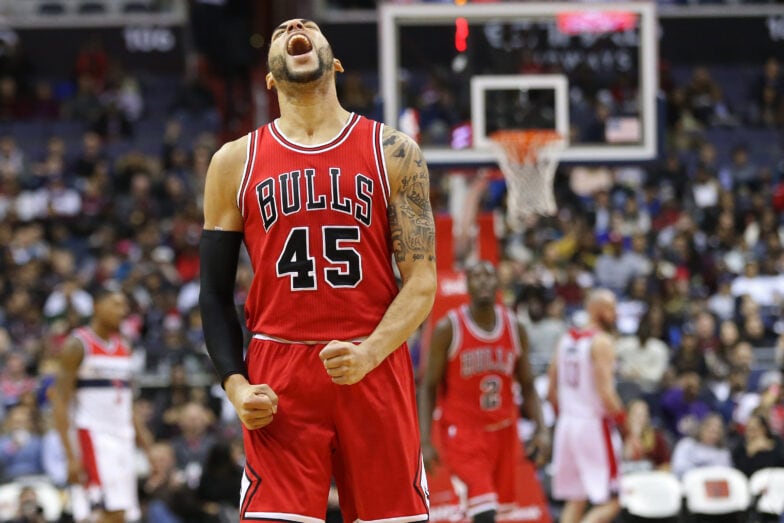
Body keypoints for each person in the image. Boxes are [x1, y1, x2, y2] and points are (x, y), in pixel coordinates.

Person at [198, 18, 436, 523]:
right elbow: (214, 295)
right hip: (278, 375)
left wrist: (370, 352)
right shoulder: (233, 162)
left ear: (335, 61)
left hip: (371, 361)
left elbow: (422, 281)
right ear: (269, 76)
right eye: (283, 30)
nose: (296, 27)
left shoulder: (394, 152)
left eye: (308, 26)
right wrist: (236, 386)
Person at [419, 261, 550, 523]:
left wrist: (542, 428)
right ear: (467, 285)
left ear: (498, 284)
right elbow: (428, 386)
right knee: (484, 511)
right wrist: (424, 440)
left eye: (489, 276)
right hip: (464, 435)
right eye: (476, 276)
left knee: (495, 512)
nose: (483, 281)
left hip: (504, 432)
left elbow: (527, 384)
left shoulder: (515, 327)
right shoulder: (448, 328)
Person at [49, 288, 152, 523]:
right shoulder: (77, 344)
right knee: (101, 513)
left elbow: (129, 404)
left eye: (125, 305)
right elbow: (60, 402)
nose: (123, 311)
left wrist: (147, 448)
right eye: (116, 304)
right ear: (96, 306)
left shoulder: (124, 345)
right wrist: (70, 457)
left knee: (123, 514)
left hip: (122, 439)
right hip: (93, 437)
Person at [547, 289, 625, 523]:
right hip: (592, 425)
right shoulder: (601, 342)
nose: (615, 313)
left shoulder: (566, 339)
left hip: (567, 424)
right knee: (614, 499)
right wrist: (625, 424)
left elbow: (551, 390)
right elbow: (606, 392)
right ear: (598, 310)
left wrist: (565, 416)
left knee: (576, 498)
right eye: (611, 308)